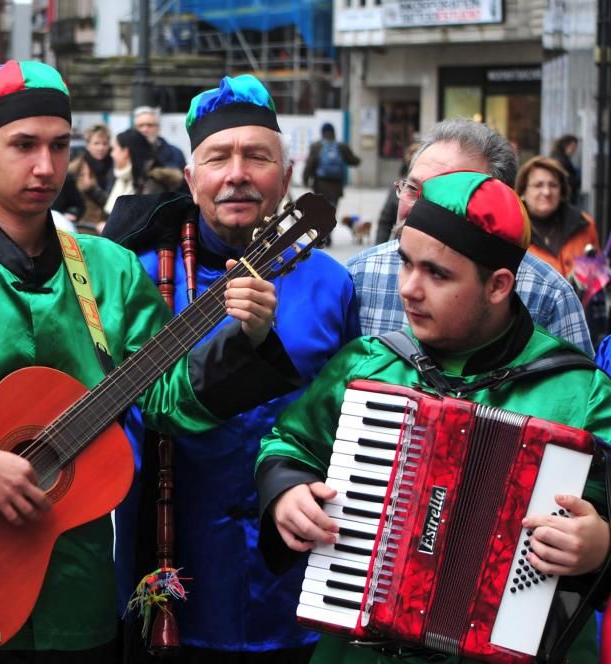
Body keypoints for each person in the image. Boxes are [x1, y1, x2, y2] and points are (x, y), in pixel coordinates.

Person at [0, 60, 297, 663]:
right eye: (24, 145)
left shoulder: (108, 269)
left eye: (59, 145)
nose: (46, 167)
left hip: (76, 599)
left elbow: (163, 397)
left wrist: (247, 339)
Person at [256, 170, 611, 663]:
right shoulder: (368, 364)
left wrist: (600, 546)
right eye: (405, 264)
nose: (409, 289)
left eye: (437, 274)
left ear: (499, 285)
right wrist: (287, 490)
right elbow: (289, 443)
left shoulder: (582, 393)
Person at [105, 74, 360, 664]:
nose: (237, 173)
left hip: (299, 582)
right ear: (192, 180)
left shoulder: (330, 283)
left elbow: (349, 423)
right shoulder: (140, 276)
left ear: (287, 177)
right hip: (177, 580)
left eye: (257, 156)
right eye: (218, 158)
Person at [345, 118, 594, 357]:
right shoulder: (359, 276)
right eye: (412, 188)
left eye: (449, 197)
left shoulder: (550, 295)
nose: (420, 209)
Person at [516, 156, 607, 346]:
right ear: (523, 191)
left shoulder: (584, 224)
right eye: (538, 185)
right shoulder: (512, 230)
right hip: (531, 337)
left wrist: (590, 277)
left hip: (581, 329)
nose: (547, 192)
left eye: (553, 185)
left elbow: (599, 277)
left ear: (562, 191)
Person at [103, 127, 184, 216]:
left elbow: (140, 222)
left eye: (115, 149)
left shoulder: (152, 183)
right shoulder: (123, 177)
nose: (112, 154)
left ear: (125, 152)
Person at [302, 122, 360, 213]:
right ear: (334, 132)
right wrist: (357, 159)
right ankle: (329, 226)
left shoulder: (316, 146)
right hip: (336, 185)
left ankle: (320, 226)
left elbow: (309, 165)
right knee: (332, 211)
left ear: (322, 133)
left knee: (320, 210)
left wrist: (305, 180)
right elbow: (354, 161)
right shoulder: (342, 146)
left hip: (320, 184)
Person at [70, 123, 113, 233]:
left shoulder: (115, 167)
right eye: (96, 143)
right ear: (88, 145)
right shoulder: (76, 167)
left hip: (108, 226)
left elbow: (113, 201)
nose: (101, 147)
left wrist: (92, 189)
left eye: (105, 143)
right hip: (83, 227)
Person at [133, 105, 188, 171]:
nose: (145, 129)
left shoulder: (175, 153)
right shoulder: (127, 154)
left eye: (150, 125)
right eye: (140, 126)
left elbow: (184, 179)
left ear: (158, 128)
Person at [551, 134, 581, 206]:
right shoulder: (562, 160)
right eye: (573, 146)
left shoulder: (560, 158)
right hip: (566, 197)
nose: (574, 149)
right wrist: (578, 180)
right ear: (566, 145)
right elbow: (566, 179)